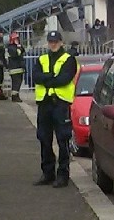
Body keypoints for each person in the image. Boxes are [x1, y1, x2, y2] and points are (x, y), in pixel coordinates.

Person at [32, 30, 78, 188]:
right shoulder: (42, 58)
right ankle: (47, 173)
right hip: (44, 104)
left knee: (62, 140)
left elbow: (65, 79)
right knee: (44, 139)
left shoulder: (69, 59)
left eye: (56, 41)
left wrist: (47, 79)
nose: (53, 44)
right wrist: (51, 78)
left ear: (61, 42)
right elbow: (35, 76)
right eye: (51, 41)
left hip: (60, 104)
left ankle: (63, 175)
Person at [7, 31, 25, 103]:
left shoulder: (17, 46)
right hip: (14, 68)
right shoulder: (11, 48)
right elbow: (17, 53)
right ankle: (14, 97)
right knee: (16, 83)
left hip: (19, 68)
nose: (17, 40)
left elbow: (22, 50)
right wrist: (19, 47)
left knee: (18, 82)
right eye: (16, 39)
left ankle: (16, 95)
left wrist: (19, 47)